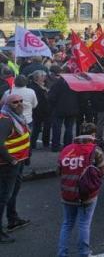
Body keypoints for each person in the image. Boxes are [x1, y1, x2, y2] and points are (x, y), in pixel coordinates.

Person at [57, 122, 104, 257]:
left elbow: (59, 171)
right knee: (84, 224)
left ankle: (62, 253)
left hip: (67, 193)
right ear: (93, 134)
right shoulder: (95, 150)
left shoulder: (66, 149)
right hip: (86, 195)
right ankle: (84, 253)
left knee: (67, 224)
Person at [0, 94, 31, 244]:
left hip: (18, 162)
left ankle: (13, 220)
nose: (19, 104)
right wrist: (11, 160)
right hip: (8, 165)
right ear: (7, 104)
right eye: (14, 102)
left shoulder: (17, 117)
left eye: (20, 101)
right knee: (3, 197)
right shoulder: (6, 120)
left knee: (13, 192)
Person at [28, 69, 51, 149]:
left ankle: (45, 142)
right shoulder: (34, 87)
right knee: (37, 127)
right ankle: (34, 143)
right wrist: (46, 92)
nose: (44, 78)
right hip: (39, 110)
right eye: (43, 76)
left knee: (45, 127)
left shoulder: (40, 85)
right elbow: (40, 99)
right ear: (37, 77)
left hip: (44, 109)